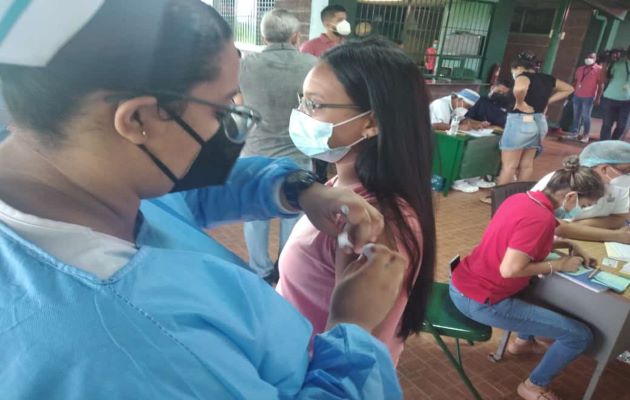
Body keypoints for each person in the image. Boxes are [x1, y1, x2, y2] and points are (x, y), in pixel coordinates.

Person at [0, 1, 407, 398]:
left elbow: (190, 196)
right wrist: (352, 328)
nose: (230, 123)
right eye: (221, 108)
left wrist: (300, 188)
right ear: (138, 119)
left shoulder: (68, 177)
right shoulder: (136, 346)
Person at [277, 38, 436, 366]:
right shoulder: (338, 190)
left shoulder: (370, 223)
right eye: (301, 101)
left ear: (372, 122)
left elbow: (357, 353)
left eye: (314, 105)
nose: (301, 114)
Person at [450, 156, 603, 400]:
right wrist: (560, 264)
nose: (578, 210)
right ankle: (533, 385)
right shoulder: (540, 218)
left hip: (465, 282)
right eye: (583, 205)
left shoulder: (524, 199)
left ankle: (522, 342)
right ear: (571, 196)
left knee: (537, 289)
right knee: (579, 335)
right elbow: (509, 270)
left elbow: (531, 239)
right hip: (480, 298)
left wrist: (571, 244)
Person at [238, 9, 317, 284]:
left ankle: (260, 271)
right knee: (292, 217)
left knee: (255, 216)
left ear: (264, 35)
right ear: (296, 36)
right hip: (298, 154)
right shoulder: (312, 65)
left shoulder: (246, 65)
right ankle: (285, 271)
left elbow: (238, 102)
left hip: (255, 154)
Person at [497, 52, 573, 186]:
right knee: (526, 165)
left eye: (513, 70)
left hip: (521, 122)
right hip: (539, 122)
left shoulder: (523, 76)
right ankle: (519, 195)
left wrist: (520, 103)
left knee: (510, 166)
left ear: (518, 68)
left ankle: (498, 197)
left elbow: (520, 88)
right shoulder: (547, 78)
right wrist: (547, 101)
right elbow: (569, 89)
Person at [532, 141, 630, 243]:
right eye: (627, 170)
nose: (628, 175)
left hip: (582, 240)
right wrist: (616, 236)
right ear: (604, 169)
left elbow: (620, 219)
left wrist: (575, 227)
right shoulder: (561, 181)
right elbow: (552, 226)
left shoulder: (618, 187)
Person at [568, 52, 603, 143]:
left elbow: (600, 84)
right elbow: (576, 81)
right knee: (576, 116)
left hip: (589, 96)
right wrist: (571, 91)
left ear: (595, 59)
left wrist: (598, 97)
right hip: (577, 95)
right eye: (587, 57)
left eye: (591, 57)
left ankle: (586, 135)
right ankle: (574, 134)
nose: (588, 59)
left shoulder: (599, 69)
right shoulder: (580, 69)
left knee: (586, 116)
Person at [598, 45, 630, 141]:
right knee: (607, 124)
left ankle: (613, 145)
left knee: (622, 126)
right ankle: (603, 146)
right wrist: (604, 65)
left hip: (627, 102)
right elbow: (603, 80)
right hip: (610, 98)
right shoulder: (618, 64)